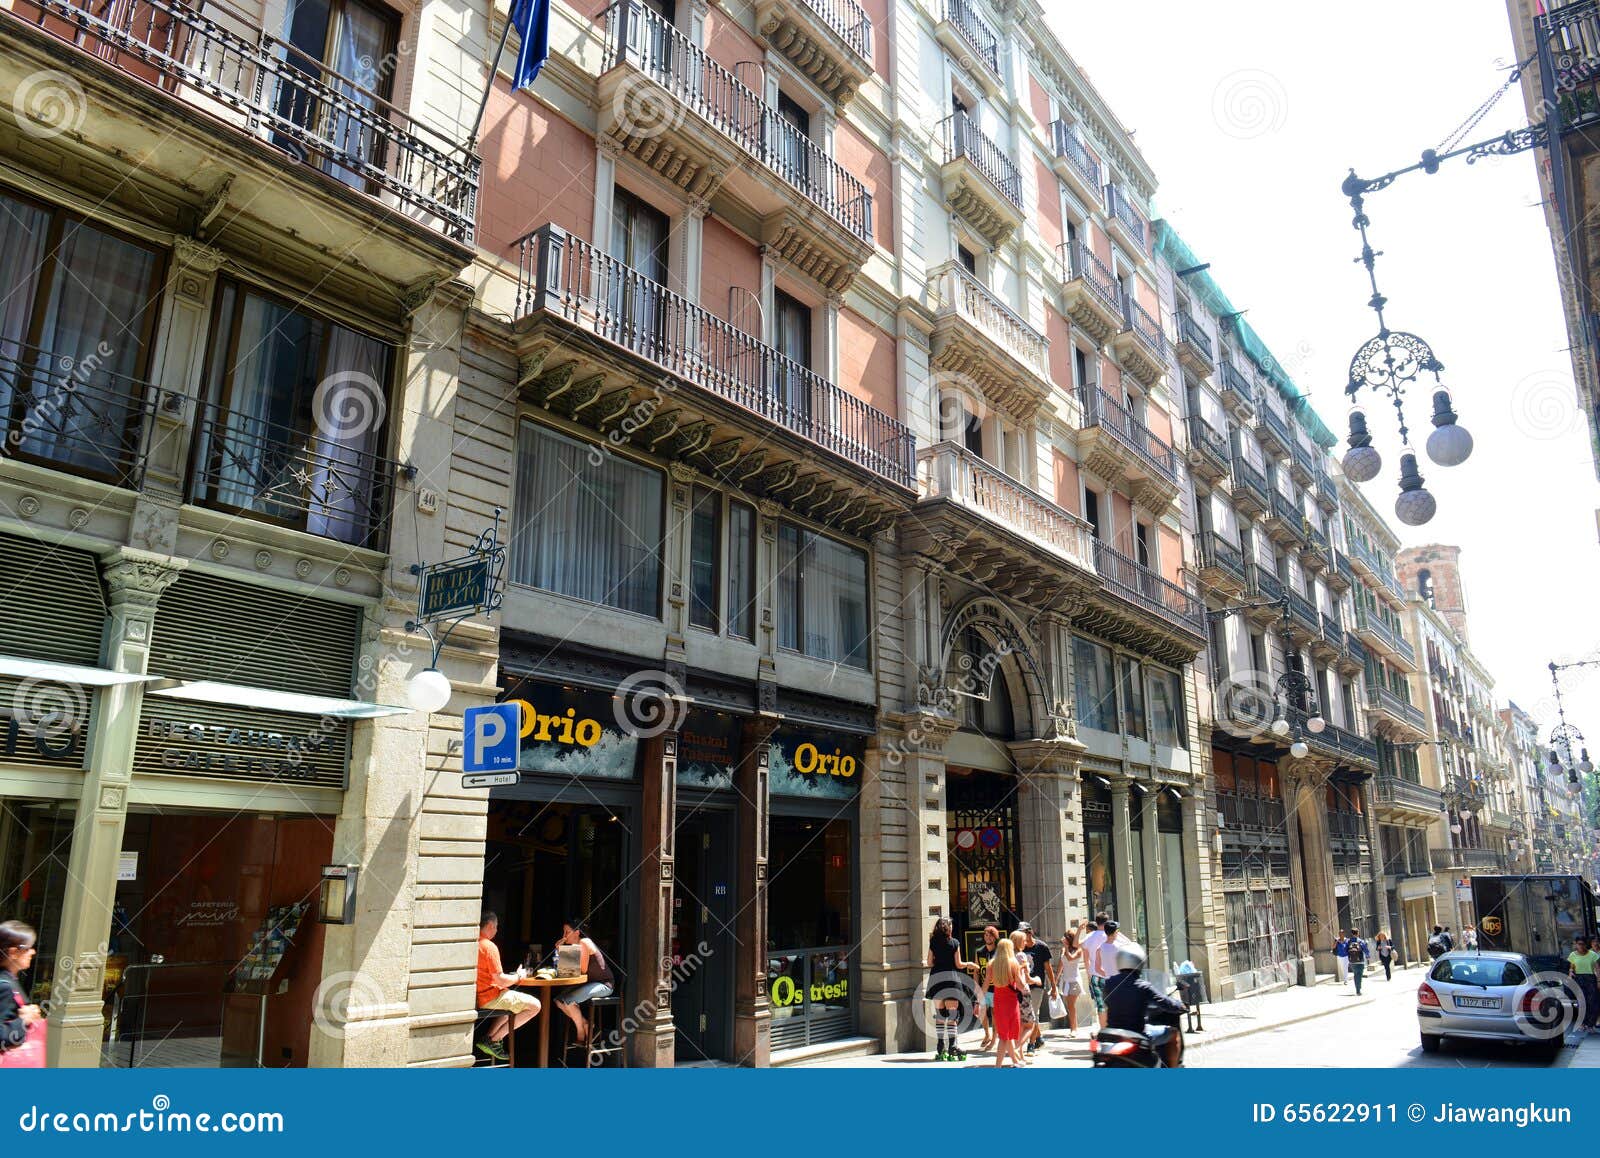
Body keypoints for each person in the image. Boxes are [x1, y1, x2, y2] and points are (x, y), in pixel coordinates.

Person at [1103, 946, 1185, 1068]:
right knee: (1173, 1033)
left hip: (1113, 1033)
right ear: (1139, 962)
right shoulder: (1142, 986)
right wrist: (1179, 1006)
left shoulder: (1109, 983)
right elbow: (1164, 1002)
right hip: (1137, 1033)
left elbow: (1107, 1001)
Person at [475, 911, 539, 1062]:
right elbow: (500, 980)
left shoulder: (473, 943)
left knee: (508, 1008)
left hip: (479, 996)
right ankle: (494, 1040)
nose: (497, 930)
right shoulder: (489, 947)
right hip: (490, 996)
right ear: (490, 925)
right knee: (536, 1006)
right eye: (496, 927)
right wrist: (518, 977)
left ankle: (488, 1039)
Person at [552, 917, 614, 1046]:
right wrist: (561, 950)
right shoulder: (576, 946)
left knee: (568, 1001)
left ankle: (580, 1033)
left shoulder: (585, 942)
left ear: (577, 932)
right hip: (589, 984)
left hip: (604, 984)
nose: (564, 935)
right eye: (563, 932)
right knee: (558, 1000)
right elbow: (571, 970)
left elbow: (583, 970)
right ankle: (586, 1024)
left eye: (567, 932)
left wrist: (563, 952)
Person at [925, 917, 968, 1061]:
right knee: (952, 1016)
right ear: (948, 929)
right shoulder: (955, 943)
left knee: (940, 1015)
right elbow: (959, 964)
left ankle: (940, 1046)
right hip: (951, 980)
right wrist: (970, 964)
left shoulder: (933, 942)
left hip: (936, 980)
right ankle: (952, 1046)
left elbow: (929, 962)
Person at [0, 922, 43, 1061]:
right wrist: (24, 1019)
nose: (33, 952)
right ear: (13, 952)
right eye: (28, 948)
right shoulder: (5, 986)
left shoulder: (9, 978)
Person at [988, 937, 1025, 1068]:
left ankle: (1015, 1061)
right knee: (1004, 1036)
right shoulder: (1013, 963)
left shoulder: (992, 964)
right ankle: (997, 1066)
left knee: (1005, 1033)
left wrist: (979, 1002)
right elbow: (1021, 985)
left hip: (998, 1001)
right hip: (1010, 1002)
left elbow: (985, 984)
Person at [1019, 923, 1055, 1054]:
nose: (1021, 935)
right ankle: (1039, 1038)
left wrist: (1054, 986)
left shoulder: (1041, 947)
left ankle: (1031, 1044)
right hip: (1022, 986)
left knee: (1033, 1014)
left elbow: (1048, 968)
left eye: (1023, 932)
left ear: (1030, 932)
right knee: (1029, 1015)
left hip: (1037, 986)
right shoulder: (1018, 948)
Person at [969, 924, 1001, 1051]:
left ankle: (994, 1039)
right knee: (982, 1012)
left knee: (994, 1014)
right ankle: (987, 1034)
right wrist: (976, 987)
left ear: (995, 937)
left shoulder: (998, 952)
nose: (987, 937)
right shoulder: (980, 951)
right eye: (986, 935)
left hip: (995, 988)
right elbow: (976, 971)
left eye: (990, 935)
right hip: (983, 987)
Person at [1081, 913, 1111, 1028]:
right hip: (1108, 974)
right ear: (1107, 922)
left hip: (1095, 974)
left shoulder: (1090, 936)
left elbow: (1085, 957)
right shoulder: (1110, 935)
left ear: (1097, 922)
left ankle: (1103, 1028)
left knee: (1100, 1003)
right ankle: (1109, 1026)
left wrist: (1089, 974)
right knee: (1110, 1001)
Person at [1568, 936, 1600, 1032]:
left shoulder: (1593, 955)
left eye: (1582, 944)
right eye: (1579, 944)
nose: (1581, 946)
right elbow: (1572, 967)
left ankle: (1590, 1025)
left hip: (1590, 979)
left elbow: (1598, 968)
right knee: (1581, 1002)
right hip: (1579, 979)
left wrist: (1599, 981)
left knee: (1592, 1003)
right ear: (1576, 944)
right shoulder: (1573, 955)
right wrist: (1570, 972)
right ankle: (1582, 1024)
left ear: (1586, 944)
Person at [1058, 927, 1085, 1038]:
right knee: (1070, 1006)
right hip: (1065, 980)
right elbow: (1061, 964)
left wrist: (1065, 948)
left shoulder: (1079, 950)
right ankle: (1074, 1028)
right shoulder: (1063, 950)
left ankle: (1074, 1029)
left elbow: (1070, 958)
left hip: (1074, 980)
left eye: (1066, 936)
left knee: (1071, 1005)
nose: (1064, 938)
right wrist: (1055, 979)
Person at [1345, 929, 1368, 995]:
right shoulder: (1360, 941)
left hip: (1352, 961)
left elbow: (1345, 950)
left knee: (1355, 975)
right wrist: (1367, 955)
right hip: (1360, 961)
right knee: (1359, 975)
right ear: (1357, 933)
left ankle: (1357, 989)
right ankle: (1358, 989)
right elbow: (1365, 949)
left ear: (1352, 933)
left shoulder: (1348, 941)